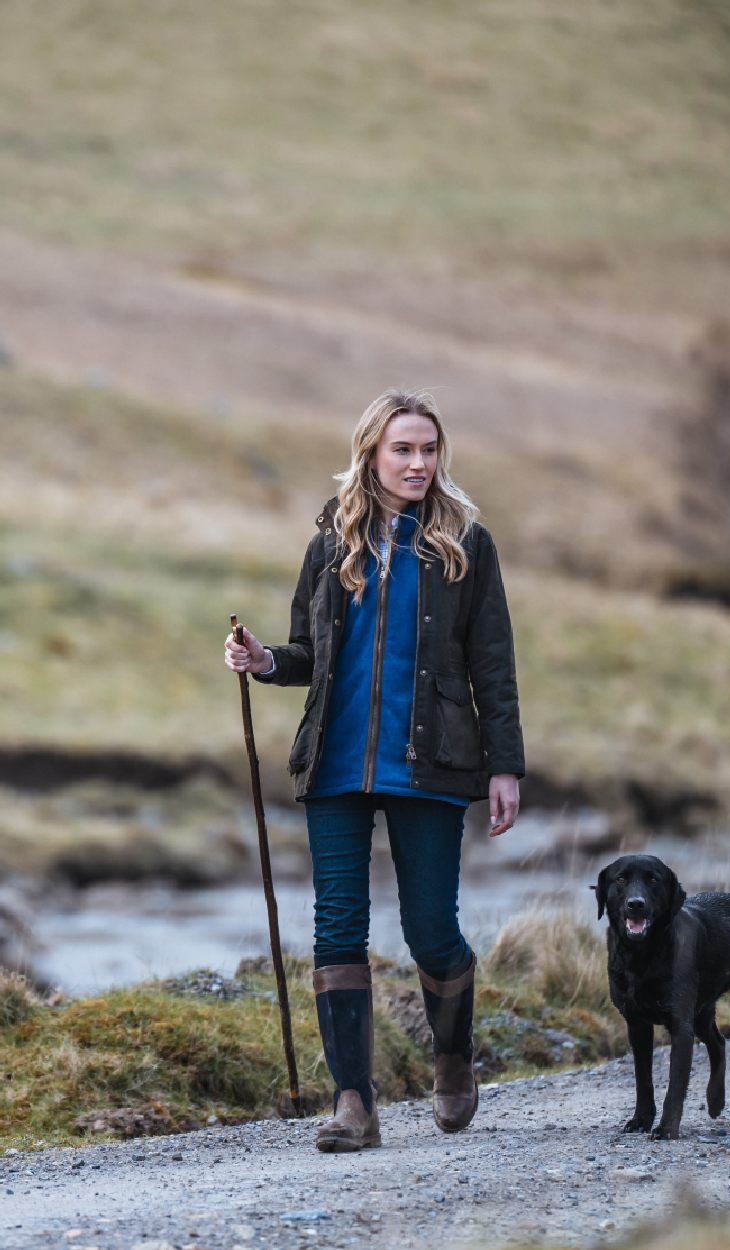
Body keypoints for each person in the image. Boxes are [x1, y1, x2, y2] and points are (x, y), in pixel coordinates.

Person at [224, 389, 524, 1153]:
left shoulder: (466, 544)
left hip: (434, 762)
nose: (419, 463)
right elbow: (309, 656)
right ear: (372, 453)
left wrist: (505, 767)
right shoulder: (331, 542)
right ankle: (353, 1102)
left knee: (432, 930)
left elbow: (493, 665)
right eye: (404, 449)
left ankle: (452, 1058)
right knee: (338, 927)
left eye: (429, 450)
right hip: (335, 765)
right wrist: (264, 662)